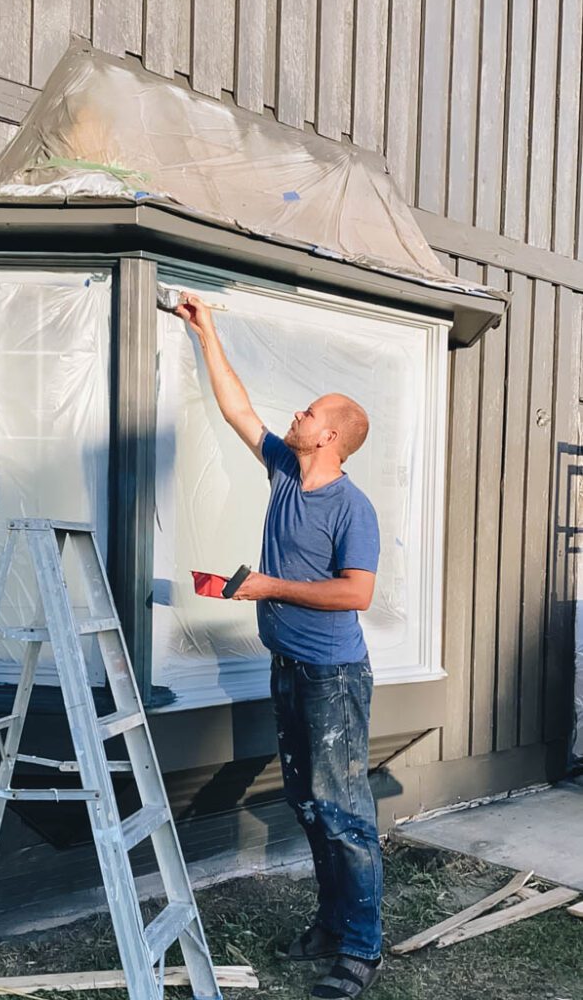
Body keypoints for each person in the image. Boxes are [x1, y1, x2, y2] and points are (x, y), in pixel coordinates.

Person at [175, 294, 383, 1000]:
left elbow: (356, 593)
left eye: (307, 413)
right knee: (306, 802)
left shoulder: (351, 508)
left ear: (329, 437)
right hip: (289, 667)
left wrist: (265, 585)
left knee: (344, 811)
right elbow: (238, 411)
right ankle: (330, 925)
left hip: (332, 677)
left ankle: (360, 950)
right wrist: (208, 333)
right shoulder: (286, 471)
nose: (294, 415)